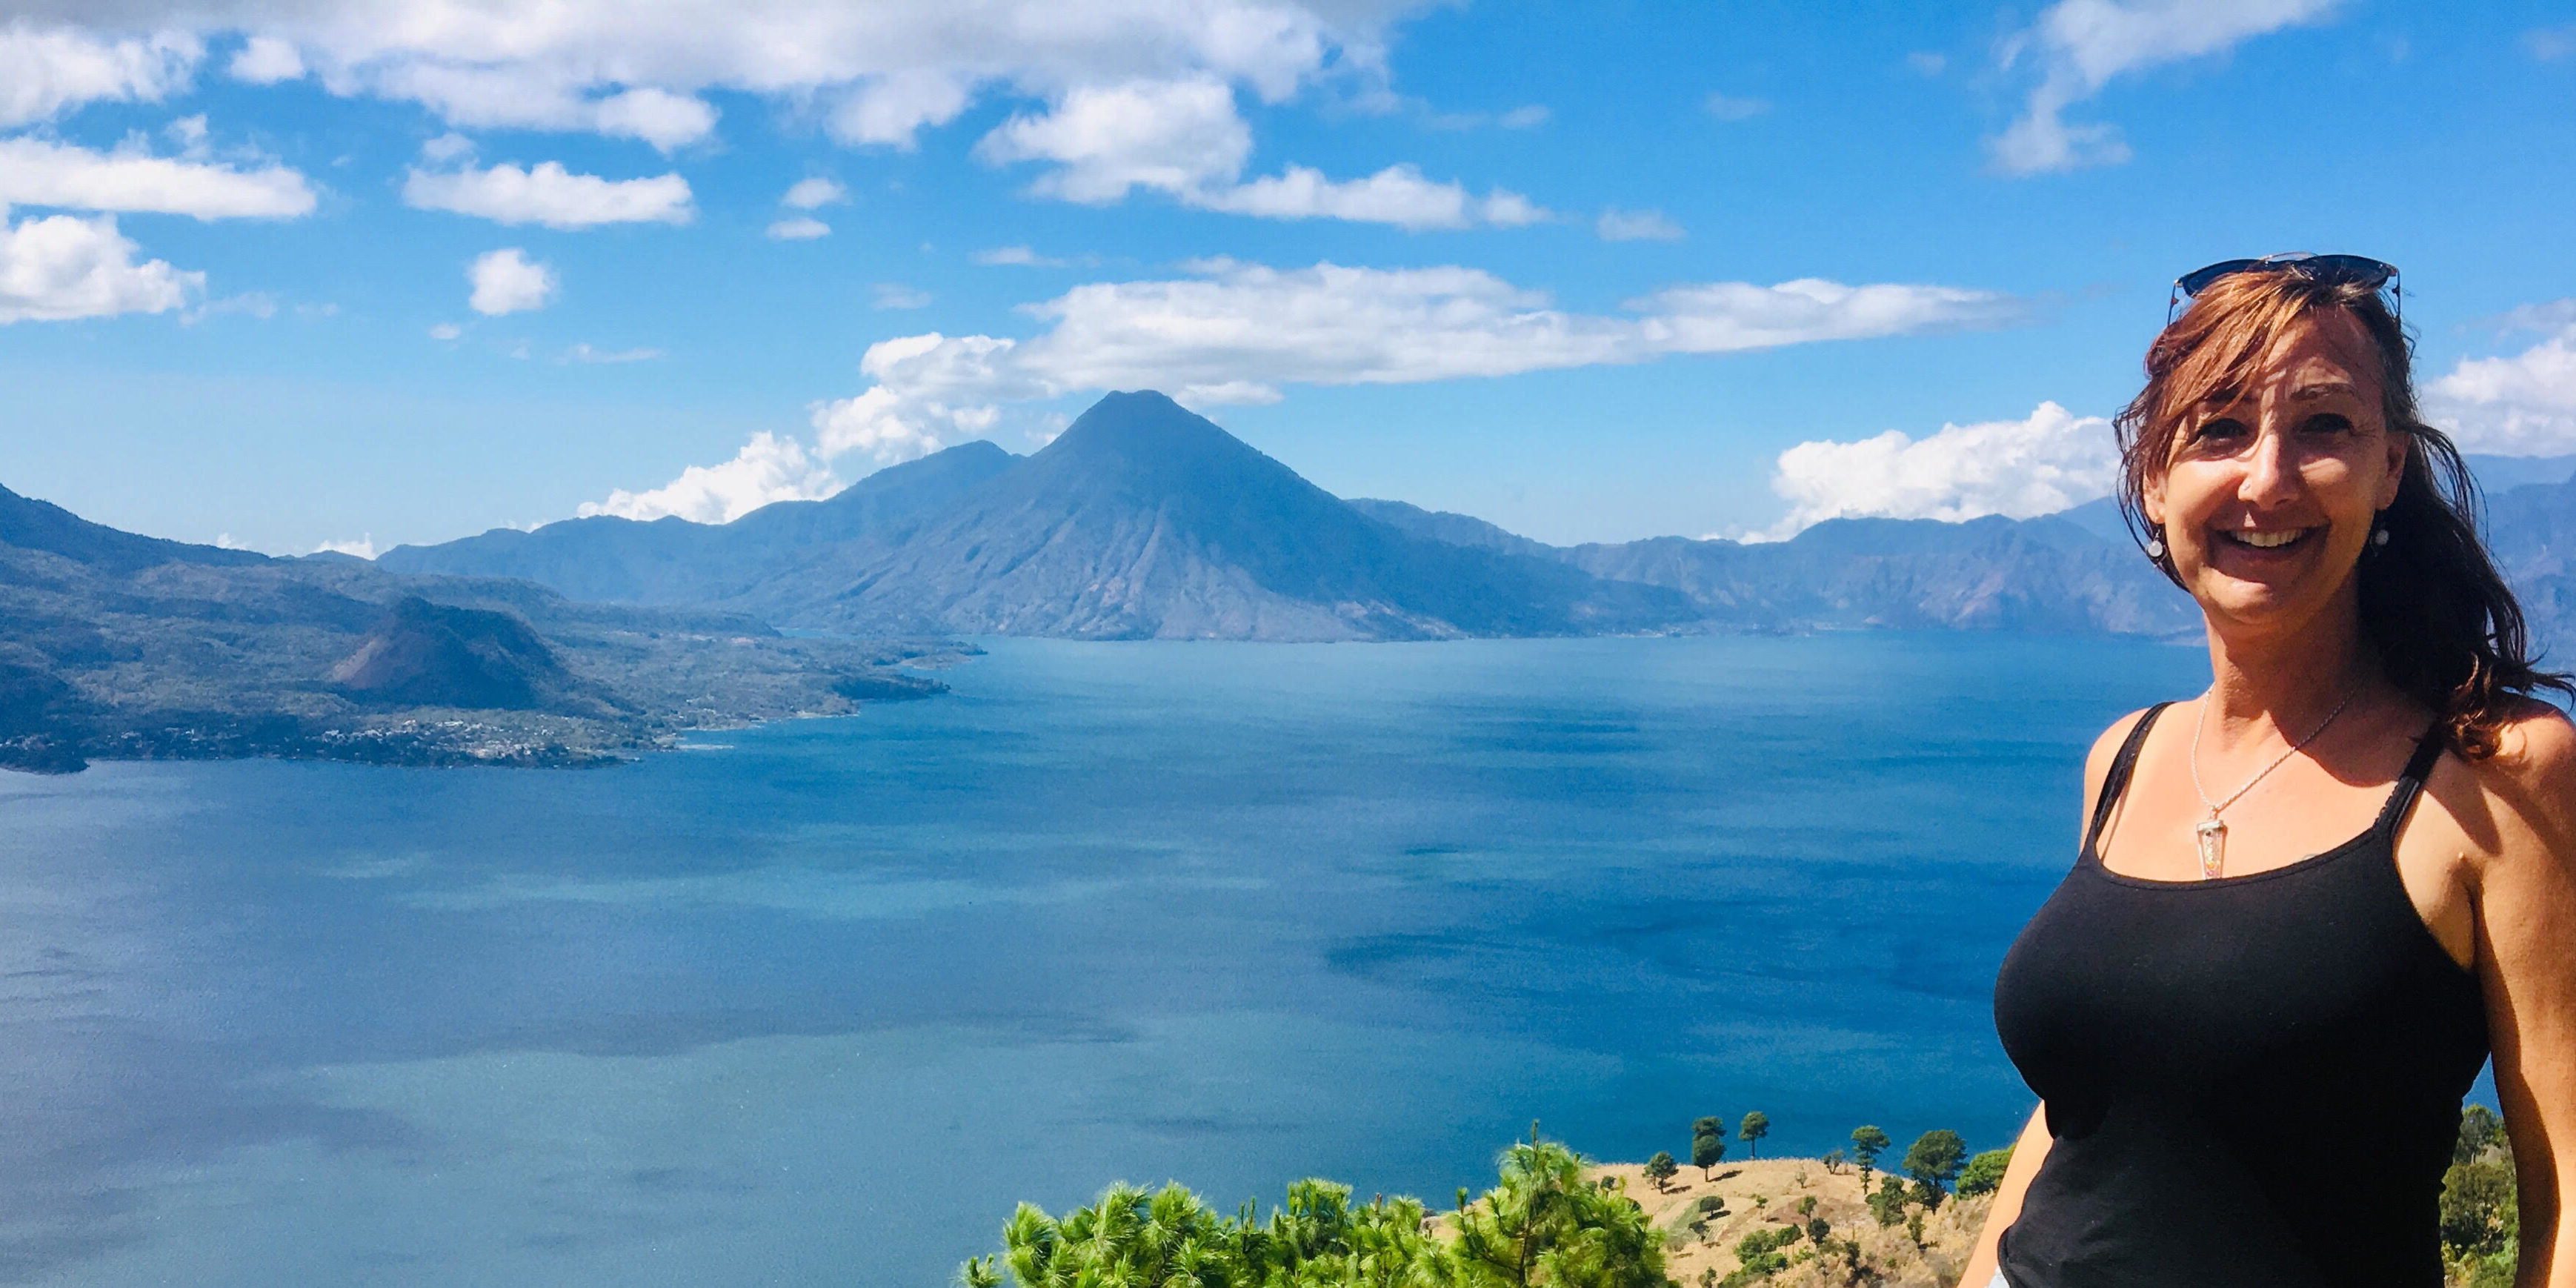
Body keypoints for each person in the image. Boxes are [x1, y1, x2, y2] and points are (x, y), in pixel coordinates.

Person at [1960, 254, 2576, 1287]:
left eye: (2324, 424)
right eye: (2218, 428)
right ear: (2153, 480)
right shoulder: (2125, 755)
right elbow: (2089, 1113)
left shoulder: (2494, 771)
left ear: (2388, 468)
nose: (2265, 478)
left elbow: (2566, 1183)